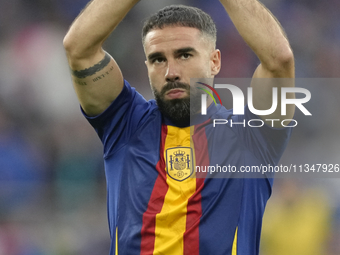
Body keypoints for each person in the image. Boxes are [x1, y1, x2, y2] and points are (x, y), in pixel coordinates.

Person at [63, 0, 295, 254]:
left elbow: (278, 60)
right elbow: (79, 49)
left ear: (214, 61)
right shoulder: (125, 124)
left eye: (184, 55)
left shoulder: (253, 136)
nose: (171, 71)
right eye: (158, 59)